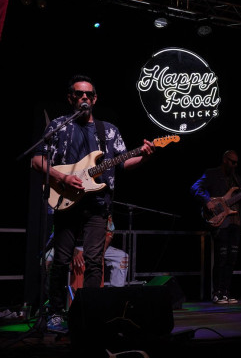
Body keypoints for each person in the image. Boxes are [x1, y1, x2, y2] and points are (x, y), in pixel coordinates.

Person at [31, 74, 155, 333]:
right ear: (71, 98)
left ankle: (88, 313)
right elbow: (37, 160)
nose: (84, 98)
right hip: (65, 200)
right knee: (62, 260)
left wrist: (142, 157)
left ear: (95, 99)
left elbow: (123, 162)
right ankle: (54, 312)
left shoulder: (108, 130)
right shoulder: (58, 126)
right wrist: (63, 176)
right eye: (79, 94)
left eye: (88, 94)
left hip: (98, 203)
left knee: (94, 261)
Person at [190, 150, 241, 304]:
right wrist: (206, 200)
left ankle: (225, 292)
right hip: (220, 222)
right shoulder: (212, 173)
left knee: (232, 258)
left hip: (235, 222)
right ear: (225, 160)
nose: (235, 165)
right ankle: (217, 293)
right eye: (232, 162)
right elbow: (195, 188)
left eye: (236, 163)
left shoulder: (237, 179)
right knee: (221, 258)